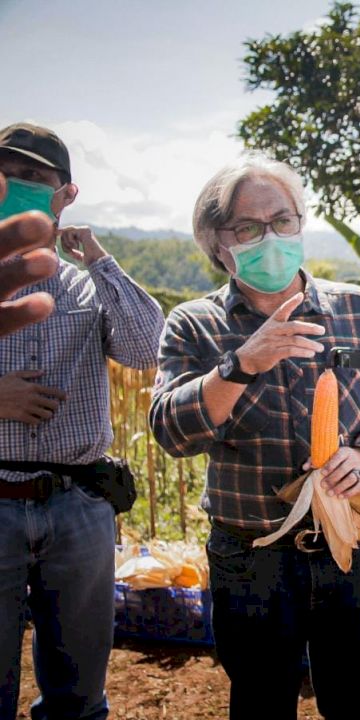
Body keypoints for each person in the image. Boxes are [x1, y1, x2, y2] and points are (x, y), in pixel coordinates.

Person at [149, 153, 360, 720]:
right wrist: (240, 365)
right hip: (252, 555)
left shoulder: (358, 311)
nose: (269, 237)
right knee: (261, 700)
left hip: (352, 541)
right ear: (217, 243)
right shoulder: (195, 325)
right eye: (247, 228)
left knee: (356, 701)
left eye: (282, 220)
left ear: (301, 222)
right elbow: (172, 431)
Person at [0, 123, 164, 720]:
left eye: (35, 178)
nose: (16, 186)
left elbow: (147, 350)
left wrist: (98, 259)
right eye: (6, 176)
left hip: (79, 504)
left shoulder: (85, 285)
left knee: (79, 695)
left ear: (66, 195)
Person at [0, 172, 59, 336]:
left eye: (32, 175)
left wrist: (98, 259)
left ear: (67, 194)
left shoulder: (88, 287)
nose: (12, 186)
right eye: (3, 173)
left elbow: (135, 350)